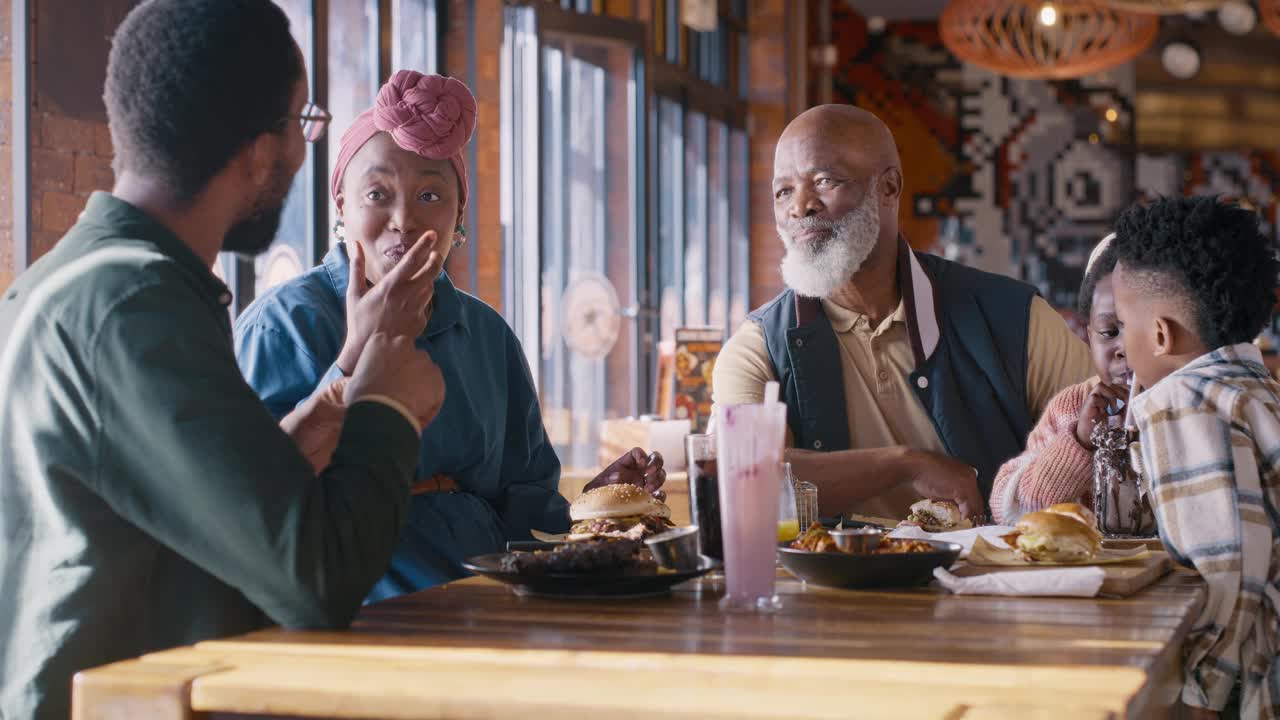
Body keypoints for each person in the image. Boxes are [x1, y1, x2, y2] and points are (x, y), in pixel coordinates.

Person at [0, 2, 447, 717]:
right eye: (304, 123)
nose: (304, 152)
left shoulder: (75, 281)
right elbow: (317, 580)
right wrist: (386, 405)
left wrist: (339, 390)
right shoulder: (134, 305)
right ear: (258, 151)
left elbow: (211, 513)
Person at [234, 69, 665, 600]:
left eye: (430, 196)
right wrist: (353, 364)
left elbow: (528, 508)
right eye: (377, 193)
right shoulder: (284, 325)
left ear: (459, 215)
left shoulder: (487, 334)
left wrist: (592, 502)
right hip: (358, 607)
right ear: (342, 206)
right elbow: (252, 504)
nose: (404, 220)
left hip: (487, 598)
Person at [712, 104, 1093, 523]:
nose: (800, 207)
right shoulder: (758, 348)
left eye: (824, 181)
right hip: (830, 587)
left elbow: (1106, 442)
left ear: (889, 188)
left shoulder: (1018, 320)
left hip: (993, 581)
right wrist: (905, 464)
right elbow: (741, 480)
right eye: (783, 191)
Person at [1111, 196, 1279, 719]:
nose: (1119, 346)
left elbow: (1228, 571)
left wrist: (1203, 694)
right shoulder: (1254, 390)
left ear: (1160, 334)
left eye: (1120, 325)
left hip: (1251, 680)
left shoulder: (1182, 404)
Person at [990, 235, 1129, 523]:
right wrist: (1079, 441)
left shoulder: (1184, 407)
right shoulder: (1071, 408)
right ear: (1089, 336)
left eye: (1141, 330)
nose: (1125, 349)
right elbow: (1011, 510)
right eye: (1110, 332)